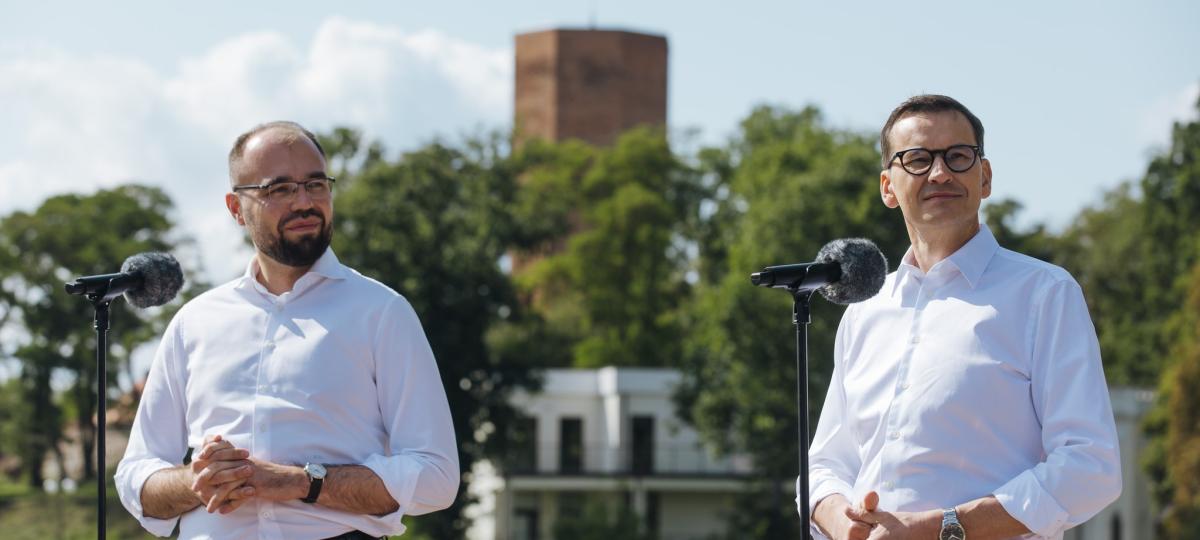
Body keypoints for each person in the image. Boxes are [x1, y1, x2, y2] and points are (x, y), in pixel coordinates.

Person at [115, 121, 459, 539]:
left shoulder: (383, 313)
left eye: (315, 184)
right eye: (279, 189)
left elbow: (437, 476)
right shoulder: (194, 322)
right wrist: (200, 481)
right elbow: (137, 474)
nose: (304, 202)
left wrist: (298, 482)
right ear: (235, 208)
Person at [803, 95, 1121, 540]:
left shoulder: (1044, 293)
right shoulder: (864, 311)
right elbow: (824, 465)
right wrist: (842, 521)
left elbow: (1091, 465)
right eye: (916, 159)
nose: (939, 173)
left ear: (984, 177)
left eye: (958, 156)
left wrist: (942, 528)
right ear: (887, 187)